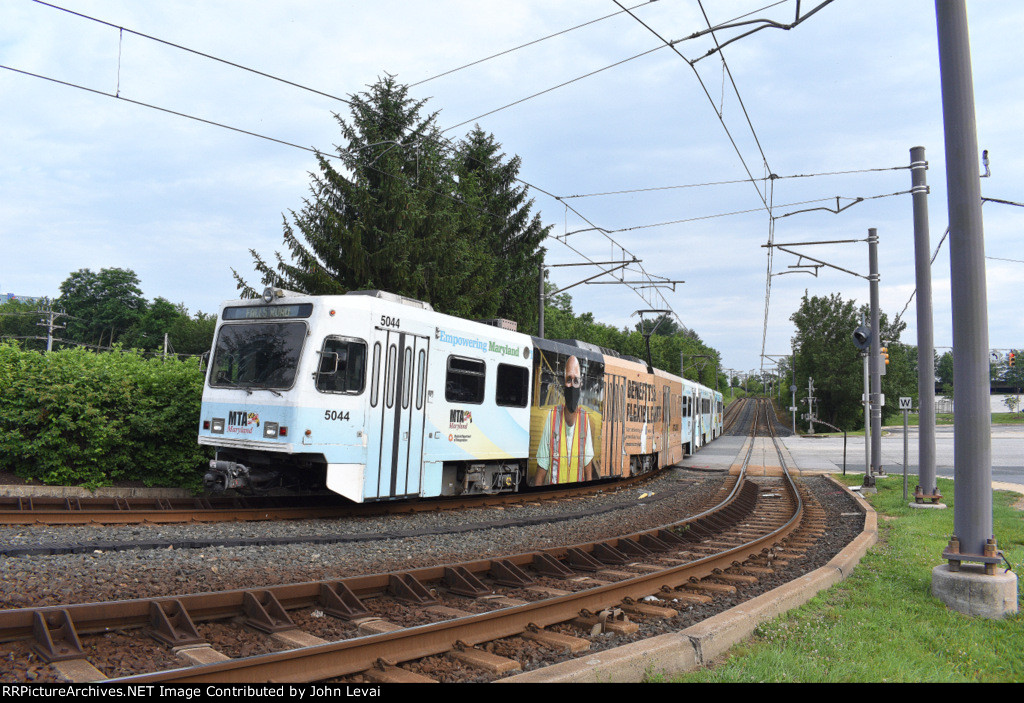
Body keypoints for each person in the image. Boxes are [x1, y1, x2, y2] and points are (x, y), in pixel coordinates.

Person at [535, 355, 596, 485]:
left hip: (577, 497)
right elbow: (541, 468)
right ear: (563, 384)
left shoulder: (585, 420)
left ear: (580, 385)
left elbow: (588, 470)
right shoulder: (551, 418)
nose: (572, 385)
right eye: (569, 379)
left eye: (576, 380)